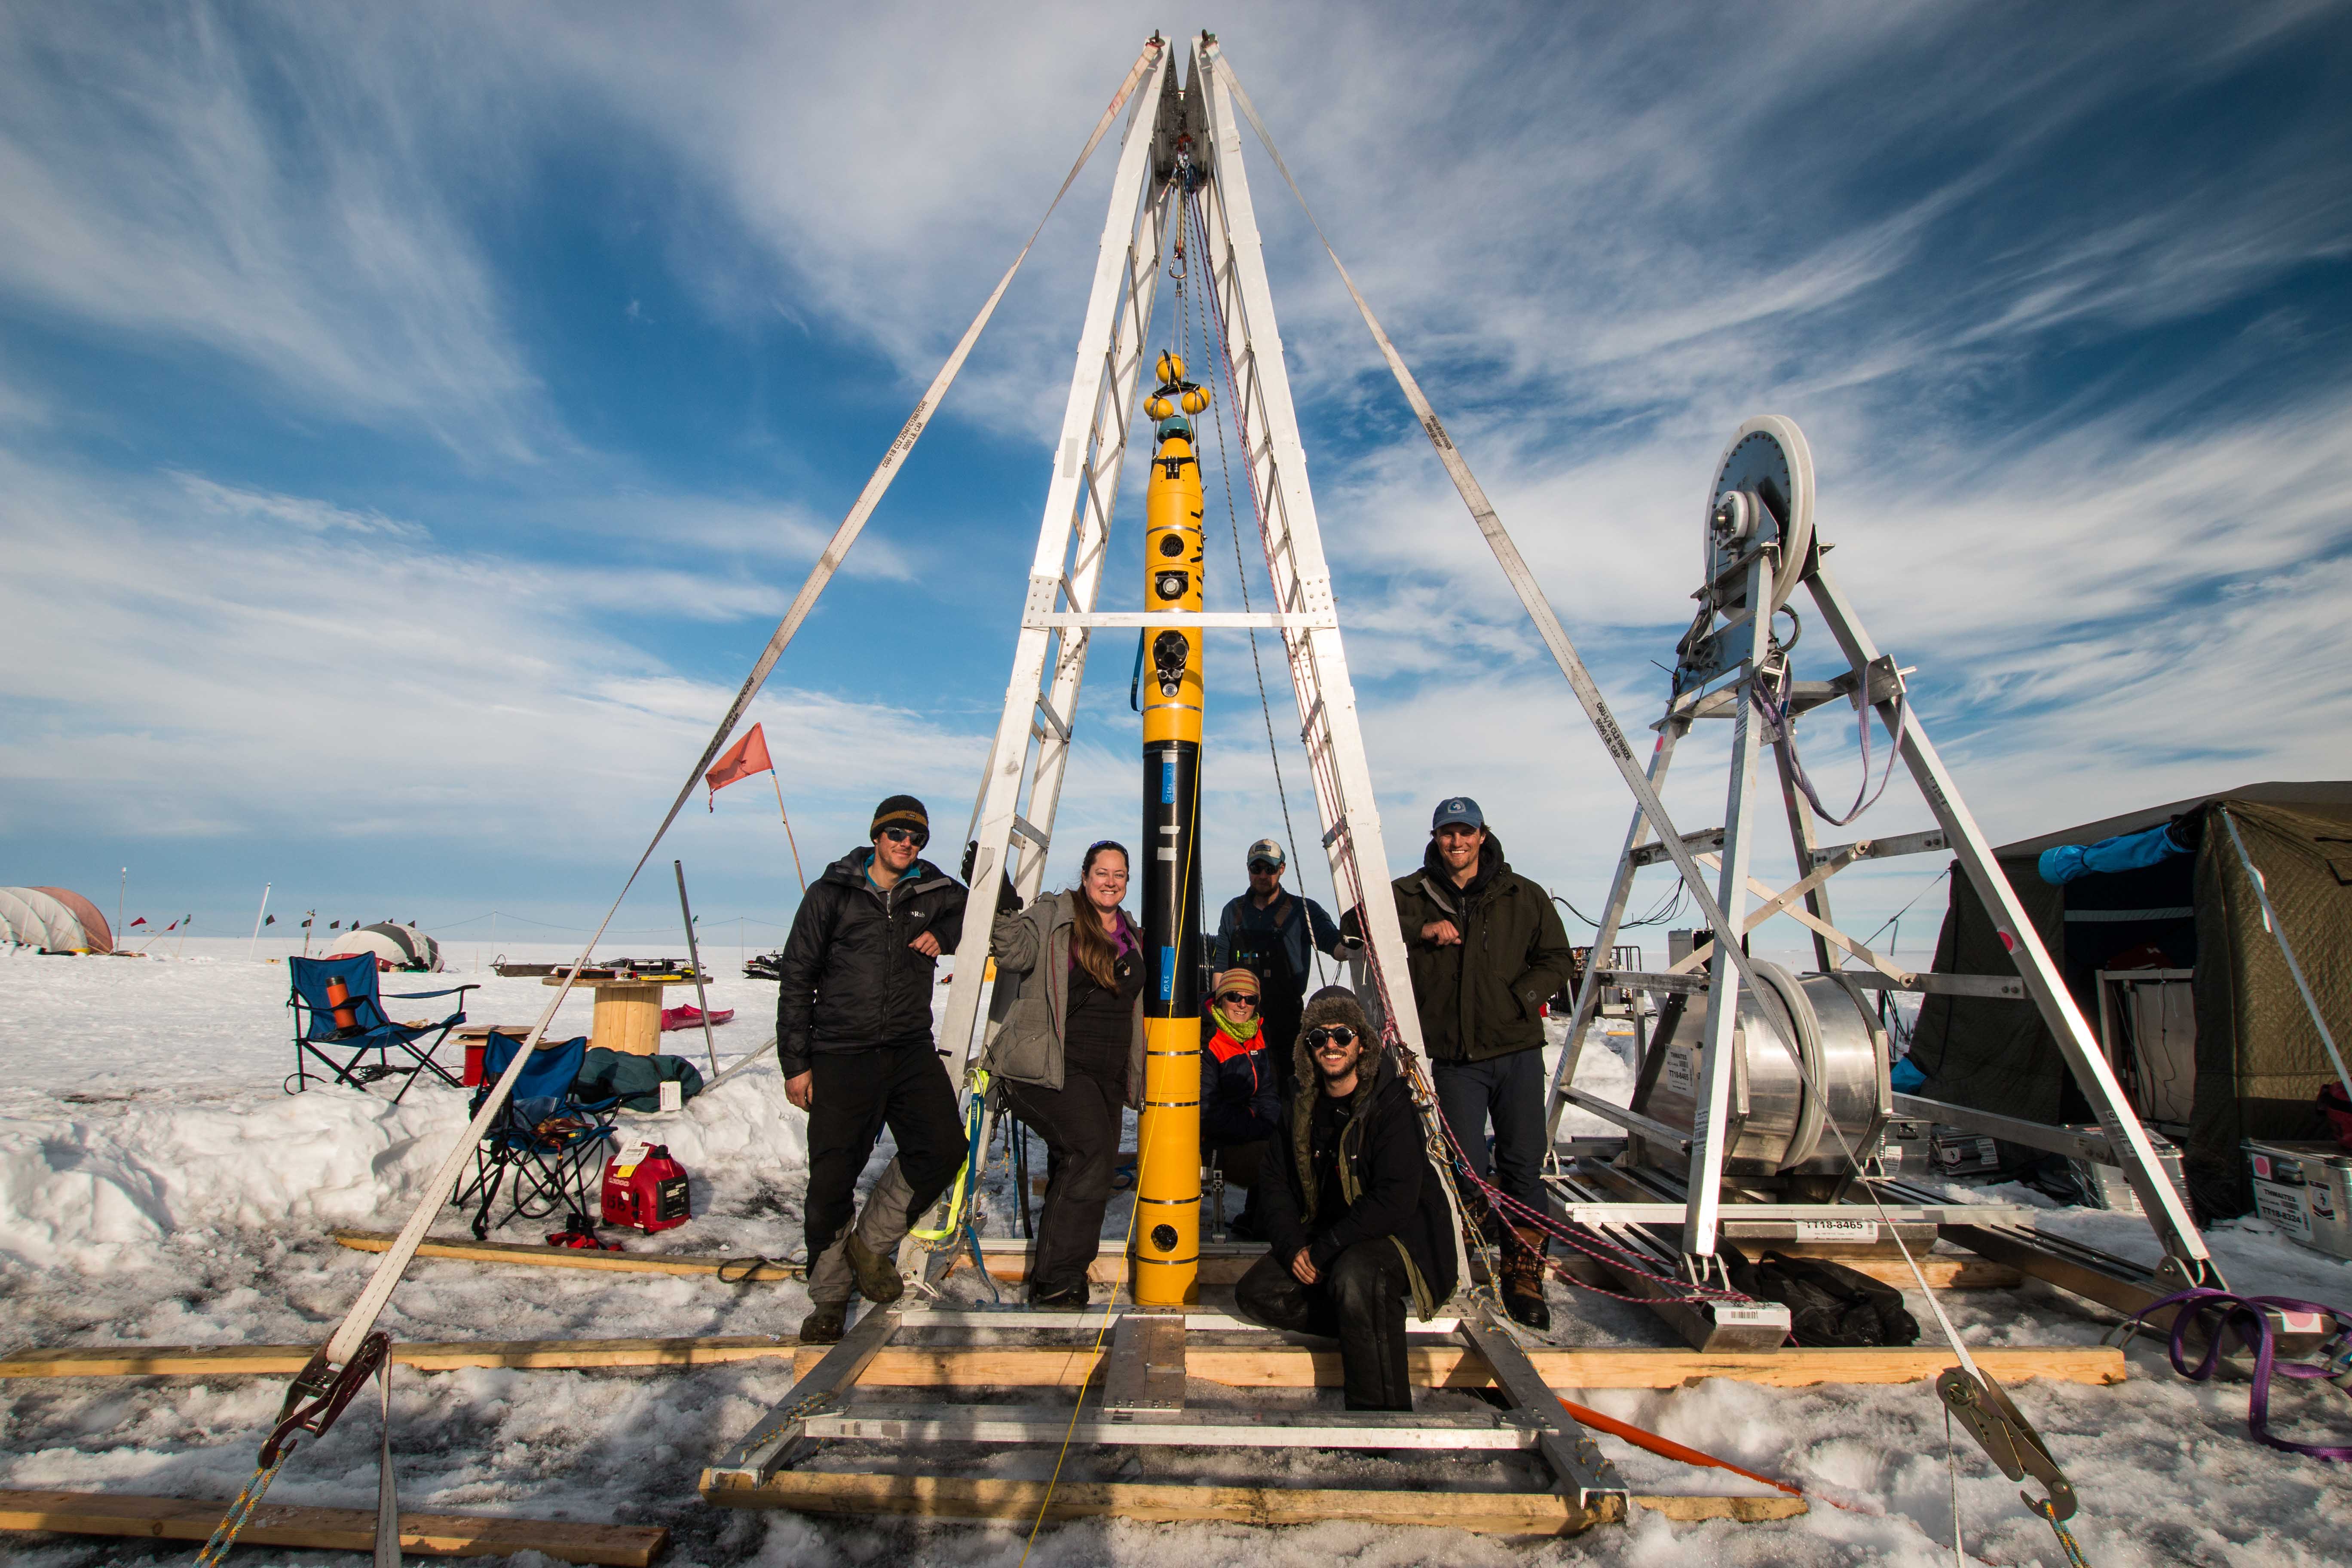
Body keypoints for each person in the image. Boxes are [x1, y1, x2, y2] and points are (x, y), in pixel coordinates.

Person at [776, 795, 979, 1344]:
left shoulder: (933, 891)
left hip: (909, 1047)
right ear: (875, 835)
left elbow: (977, 908)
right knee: (832, 1181)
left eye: (915, 838)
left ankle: (869, 1246)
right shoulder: (832, 894)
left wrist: (950, 934)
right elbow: (797, 977)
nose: (905, 844)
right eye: (896, 834)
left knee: (942, 1149)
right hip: (841, 1052)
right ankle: (830, 1297)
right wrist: (796, 1064)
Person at [1392, 795, 1576, 1330]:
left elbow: (1558, 958)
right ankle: (1462, 1261)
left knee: (1522, 1165)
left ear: (1481, 835)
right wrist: (1420, 931)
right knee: (1464, 1168)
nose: (1457, 843)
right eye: (1448, 834)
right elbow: (1356, 925)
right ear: (1436, 838)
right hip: (1454, 1059)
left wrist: (1523, 996)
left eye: (1466, 833)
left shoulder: (1523, 895)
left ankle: (1523, 1273)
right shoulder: (1411, 894)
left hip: (1515, 1051)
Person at [1235, 986, 1459, 1410]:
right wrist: (1293, 1247)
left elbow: (1395, 1200)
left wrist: (1324, 1251)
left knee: (1356, 1276)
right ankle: (1368, 1324)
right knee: (1258, 1291)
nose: (1331, 1046)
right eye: (1319, 1038)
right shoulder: (1300, 1104)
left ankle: (1379, 1417)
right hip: (1332, 1233)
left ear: (1362, 1042)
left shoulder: (1390, 1103)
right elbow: (1276, 1183)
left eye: (1342, 1035)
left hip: (1400, 1237)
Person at [985, 840, 1146, 1308]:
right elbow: (1014, 954)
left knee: (1080, 1164)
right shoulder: (1056, 915)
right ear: (1085, 874)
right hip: (1052, 1066)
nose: (1111, 882)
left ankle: (1060, 1265)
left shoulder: (1131, 932)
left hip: (1107, 1073)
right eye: (1103, 873)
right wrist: (1000, 903)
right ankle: (1058, 1280)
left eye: (1120, 874)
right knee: (1090, 1152)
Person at [1213, 838, 1353, 1096]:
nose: (1263, 875)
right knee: (1238, 1090)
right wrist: (1217, 1016)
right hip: (1240, 1018)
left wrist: (1351, 946)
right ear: (1248, 869)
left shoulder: (1304, 910)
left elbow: (1332, 943)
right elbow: (1221, 964)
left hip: (1285, 1021)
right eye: (1257, 869)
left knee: (1288, 1092)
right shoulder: (1232, 910)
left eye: (1270, 869)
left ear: (1282, 869)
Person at [1199, 966, 1282, 1238]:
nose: (1242, 1004)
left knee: (1294, 1141)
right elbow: (1209, 1111)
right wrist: (1259, 1125)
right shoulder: (1209, 1040)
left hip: (1254, 1129)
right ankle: (1266, 1223)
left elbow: (1268, 1090)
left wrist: (1270, 1122)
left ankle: (1260, 1216)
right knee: (1279, 1155)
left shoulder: (1257, 1032)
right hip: (1218, 1144)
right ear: (1222, 998)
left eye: (1250, 999)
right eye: (1235, 996)